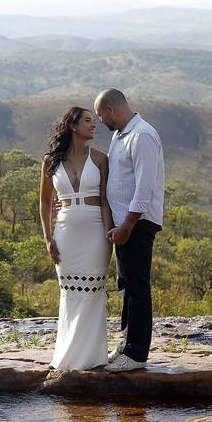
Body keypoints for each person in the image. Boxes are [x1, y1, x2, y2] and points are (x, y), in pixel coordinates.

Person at [94, 88, 165, 372]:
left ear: (111, 109)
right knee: (127, 286)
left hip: (137, 223)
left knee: (137, 287)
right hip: (125, 224)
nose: (100, 121)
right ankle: (125, 345)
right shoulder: (120, 135)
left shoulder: (142, 136)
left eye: (100, 115)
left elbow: (144, 187)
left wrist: (127, 225)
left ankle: (136, 355)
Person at [39, 106, 113, 370]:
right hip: (65, 233)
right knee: (70, 294)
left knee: (93, 293)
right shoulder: (51, 161)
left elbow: (105, 201)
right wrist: (48, 238)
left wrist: (110, 234)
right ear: (72, 125)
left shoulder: (102, 159)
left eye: (94, 121)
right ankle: (67, 357)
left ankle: (93, 359)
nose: (94, 125)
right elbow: (45, 201)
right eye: (87, 121)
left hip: (96, 234)